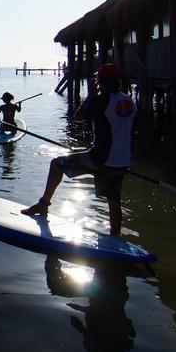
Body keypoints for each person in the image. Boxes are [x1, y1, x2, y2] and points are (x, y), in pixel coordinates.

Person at [21, 63, 135, 236]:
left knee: (57, 164)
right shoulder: (129, 101)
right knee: (114, 199)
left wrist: (91, 95)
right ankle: (115, 236)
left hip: (100, 158)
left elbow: (79, 117)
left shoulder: (99, 101)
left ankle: (43, 205)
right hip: (122, 161)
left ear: (100, 82)